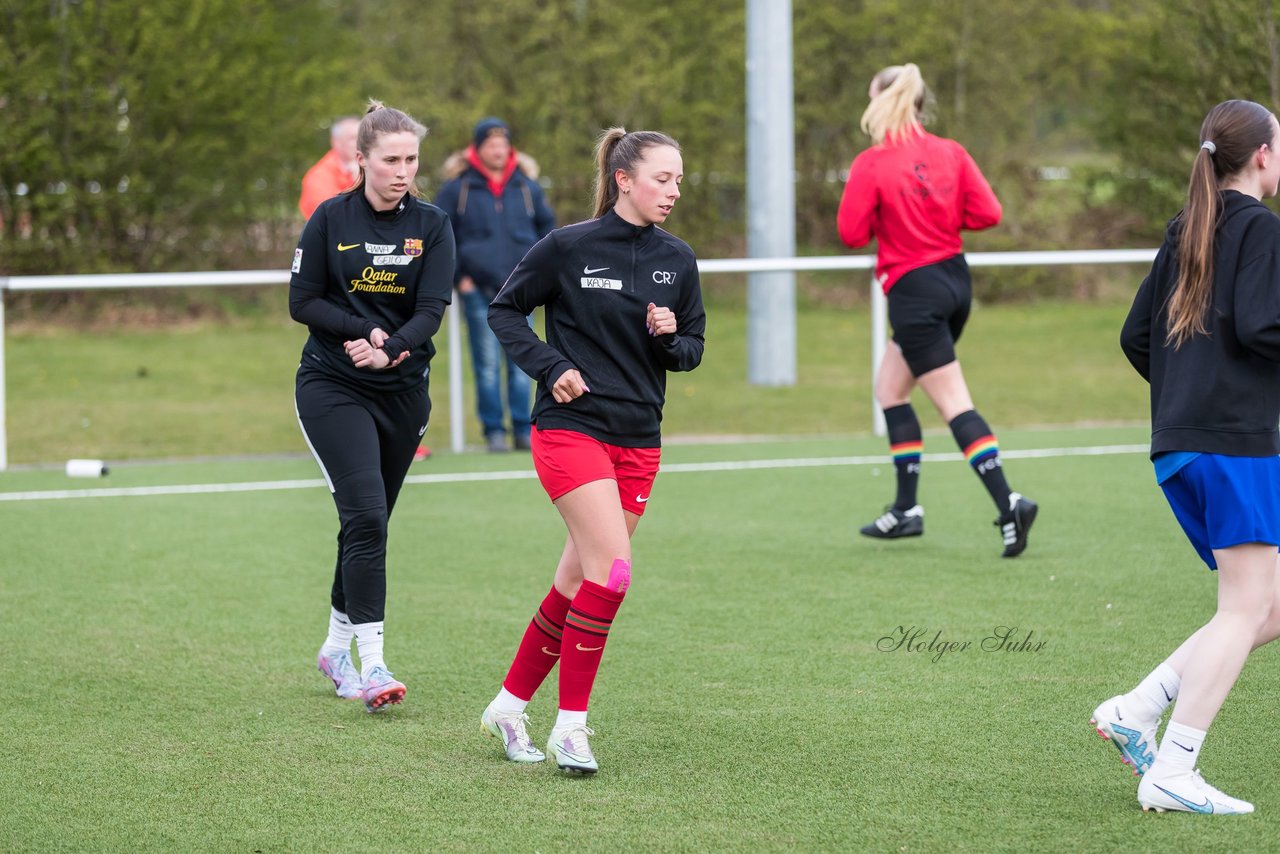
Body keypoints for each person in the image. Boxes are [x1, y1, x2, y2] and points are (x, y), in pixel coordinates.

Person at [479, 128, 704, 773]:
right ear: (624, 178)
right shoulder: (568, 247)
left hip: (639, 441)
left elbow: (691, 351)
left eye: (680, 180)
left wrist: (668, 337)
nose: (674, 191)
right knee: (614, 574)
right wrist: (550, 367)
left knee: (576, 581)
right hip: (570, 430)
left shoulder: (679, 260)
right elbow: (504, 312)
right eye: (663, 179)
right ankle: (570, 728)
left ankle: (508, 704)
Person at [1091, 99, 1280, 815]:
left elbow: (1135, 338)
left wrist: (1184, 399)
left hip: (1184, 448)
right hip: (1231, 446)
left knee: (1270, 601)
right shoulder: (1261, 229)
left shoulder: (1185, 230)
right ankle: (1174, 767)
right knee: (1244, 607)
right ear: (1261, 155)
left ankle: (1137, 710)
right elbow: (1266, 326)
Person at [289, 100, 455, 713]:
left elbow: (432, 308)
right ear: (360, 160)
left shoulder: (433, 225)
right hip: (333, 387)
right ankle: (372, 661)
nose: (402, 171)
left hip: (403, 391)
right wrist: (361, 330)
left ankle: (334, 648)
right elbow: (302, 302)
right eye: (390, 160)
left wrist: (394, 350)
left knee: (369, 521)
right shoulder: (330, 219)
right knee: (366, 518)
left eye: (411, 159)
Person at [837, 63, 1037, 557]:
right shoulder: (951, 151)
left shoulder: (873, 163)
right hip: (954, 282)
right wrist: (937, 218)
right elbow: (988, 213)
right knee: (890, 389)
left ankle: (1010, 502)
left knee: (954, 404)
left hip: (914, 291)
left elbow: (850, 233)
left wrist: (895, 224)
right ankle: (907, 510)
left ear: (882, 103)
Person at [433, 117, 556, 452]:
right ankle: (493, 432)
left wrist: (540, 279)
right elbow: (441, 236)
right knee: (486, 364)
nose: (498, 150)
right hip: (479, 293)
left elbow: (550, 235)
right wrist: (462, 279)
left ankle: (522, 429)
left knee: (522, 364)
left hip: (521, 293)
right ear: (477, 148)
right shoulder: (457, 189)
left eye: (503, 144)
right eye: (491, 144)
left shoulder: (528, 188)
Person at [299, 116, 360, 220]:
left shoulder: (374, 168)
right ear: (336, 142)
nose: (361, 143)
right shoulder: (318, 177)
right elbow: (332, 219)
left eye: (364, 137)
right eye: (353, 138)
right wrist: (359, 184)